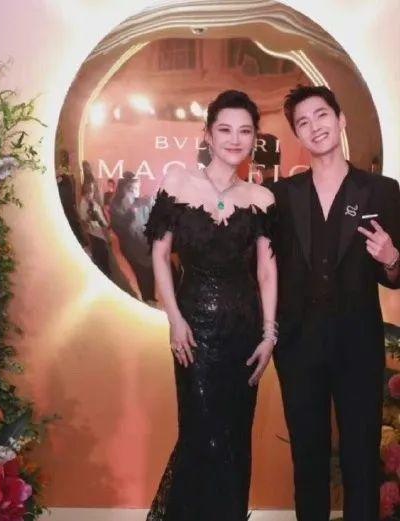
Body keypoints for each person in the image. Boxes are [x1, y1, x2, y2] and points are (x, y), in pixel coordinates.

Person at [144, 90, 277, 521]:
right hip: (194, 330)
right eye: (225, 129)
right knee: (199, 435)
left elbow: (267, 272)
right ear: (207, 134)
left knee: (235, 438)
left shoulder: (261, 199)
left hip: (244, 332)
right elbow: (159, 255)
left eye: (245, 131)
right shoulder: (178, 183)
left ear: (254, 138)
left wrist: (269, 334)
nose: (235, 139)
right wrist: (174, 319)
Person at [271, 85, 400, 521]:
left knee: (361, 456)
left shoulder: (381, 190)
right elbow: (265, 268)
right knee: (307, 458)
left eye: (322, 115)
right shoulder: (282, 196)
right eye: (303, 122)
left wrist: (392, 257)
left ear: (340, 120)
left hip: (358, 342)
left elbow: (396, 276)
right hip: (298, 344)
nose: (315, 126)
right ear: (298, 135)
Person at [110, 172, 155, 302]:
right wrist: (135, 209)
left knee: (150, 273)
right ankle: (147, 299)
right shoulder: (117, 205)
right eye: (135, 188)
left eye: (138, 187)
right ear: (126, 189)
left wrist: (151, 206)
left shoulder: (139, 202)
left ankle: (150, 297)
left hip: (145, 246)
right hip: (133, 249)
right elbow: (122, 229)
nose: (138, 191)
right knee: (142, 275)